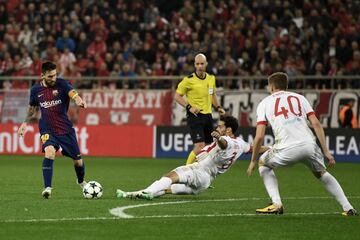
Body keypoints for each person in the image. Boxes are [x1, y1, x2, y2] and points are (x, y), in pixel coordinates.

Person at [246, 72, 357, 216]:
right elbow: (316, 124)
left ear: (272, 86)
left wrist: (253, 160)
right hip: (309, 146)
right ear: (285, 85)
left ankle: (276, 203)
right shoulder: (300, 98)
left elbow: (259, 135)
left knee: (263, 164)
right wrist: (327, 152)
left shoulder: (265, 103)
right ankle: (348, 207)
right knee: (322, 173)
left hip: (286, 148)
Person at [116, 115, 269, 200]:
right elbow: (256, 148)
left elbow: (223, 144)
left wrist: (218, 138)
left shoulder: (227, 140)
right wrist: (274, 148)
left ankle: (146, 192)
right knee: (167, 189)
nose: (217, 127)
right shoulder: (241, 144)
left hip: (200, 172)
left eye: (220, 126)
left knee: (169, 176)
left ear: (228, 130)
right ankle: (132, 194)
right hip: (205, 182)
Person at [18, 61, 88, 199]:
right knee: (49, 153)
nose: (53, 78)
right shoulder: (35, 90)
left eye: (55, 75)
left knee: (78, 162)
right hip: (47, 128)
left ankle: (80, 181)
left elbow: (73, 93)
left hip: (65, 129)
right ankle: (47, 188)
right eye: (50, 76)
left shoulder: (62, 84)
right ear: (42, 75)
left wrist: (79, 100)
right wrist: (24, 123)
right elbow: (32, 109)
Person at [174, 53, 225, 165]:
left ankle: (200, 175)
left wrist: (218, 107)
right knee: (199, 146)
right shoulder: (188, 80)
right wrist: (189, 107)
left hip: (208, 116)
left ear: (206, 64)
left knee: (207, 148)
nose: (200, 66)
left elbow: (212, 95)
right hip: (195, 117)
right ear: (194, 65)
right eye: (197, 64)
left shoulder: (211, 78)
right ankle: (186, 170)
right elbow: (177, 96)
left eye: (202, 63)